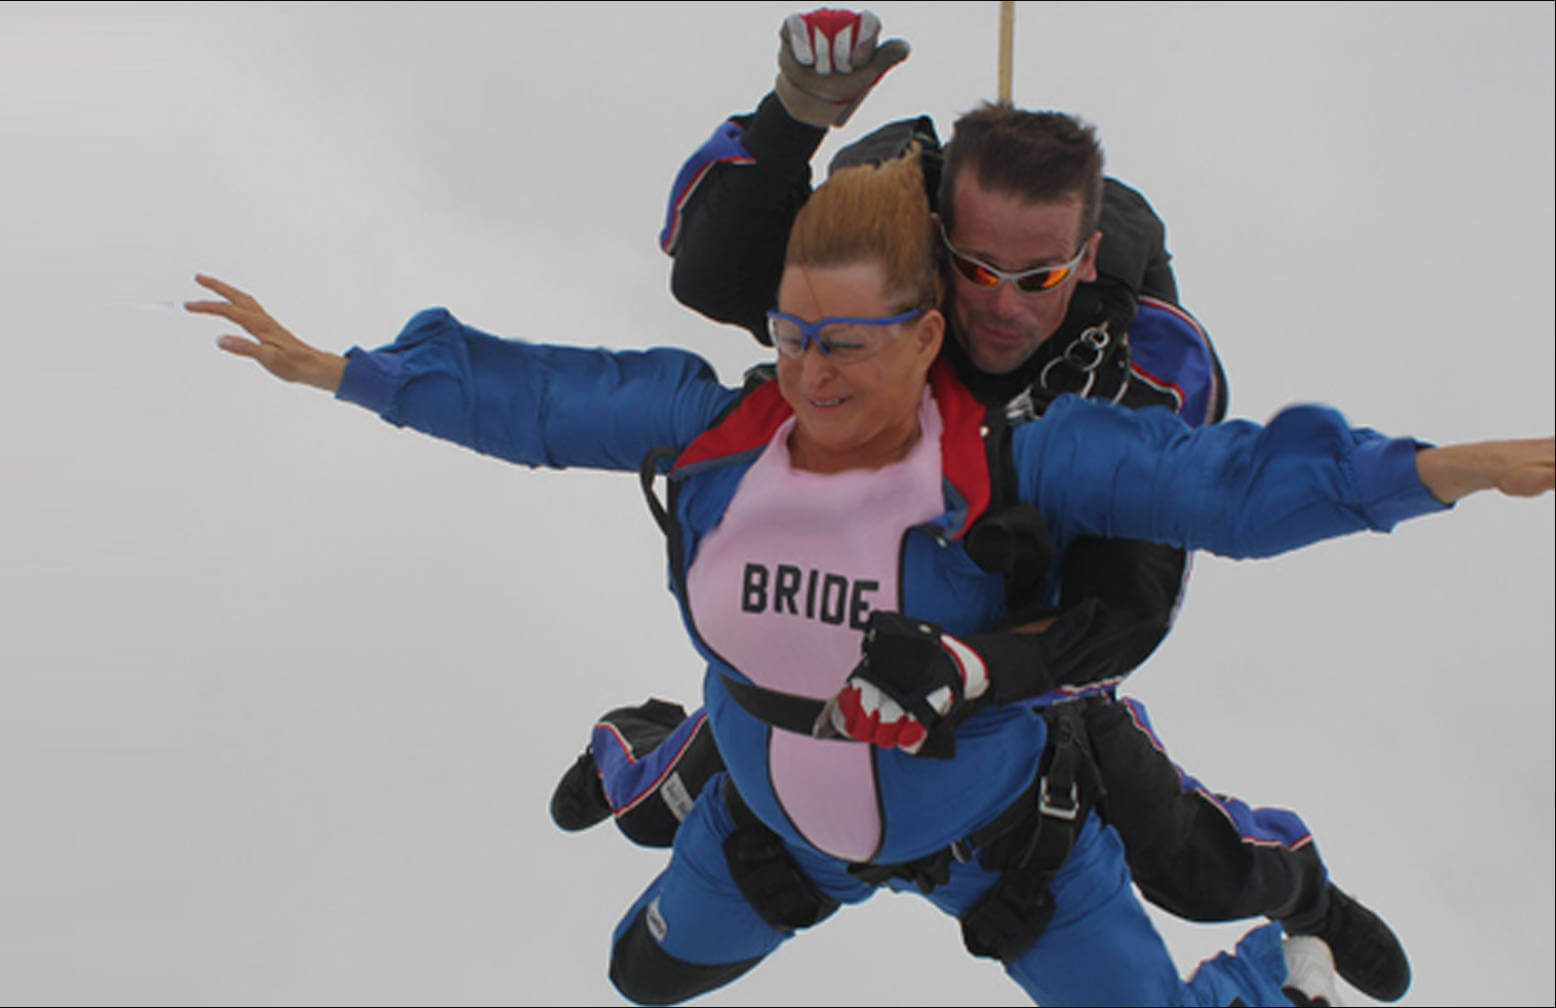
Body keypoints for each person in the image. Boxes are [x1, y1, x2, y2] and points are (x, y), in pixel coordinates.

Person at [184, 150, 1552, 1005]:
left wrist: (1448, 468)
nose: (812, 380)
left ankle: (1280, 954)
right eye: (792, 339)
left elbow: (1231, 489)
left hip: (1008, 829)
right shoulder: (720, 427)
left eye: (853, 345)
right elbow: (530, 399)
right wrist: (345, 371)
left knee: (1189, 872)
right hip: (777, 818)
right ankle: (645, 749)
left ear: (930, 336)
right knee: (643, 978)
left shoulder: (1027, 457)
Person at [551, 10, 1408, 1001]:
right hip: (812, 659)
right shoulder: (879, 278)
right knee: (651, 868)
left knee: (1188, 864)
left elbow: (1127, 602)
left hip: (1012, 699)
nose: (999, 306)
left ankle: (1302, 913)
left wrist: (978, 666)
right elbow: (710, 267)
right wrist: (791, 116)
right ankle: (646, 739)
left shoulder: (1135, 373)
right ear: (933, 241)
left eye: (1034, 279)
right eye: (972, 269)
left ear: (1085, 261)